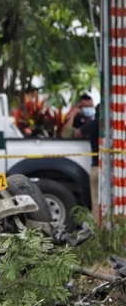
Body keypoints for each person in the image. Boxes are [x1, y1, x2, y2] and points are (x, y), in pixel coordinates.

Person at [62, 95, 99, 223]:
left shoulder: (94, 122)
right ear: (80, 107)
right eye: (86, 107)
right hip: (100, 166)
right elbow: (66, 134)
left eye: (91, 106)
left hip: (96, 167)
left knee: (96, 201)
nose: (89, 109)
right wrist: (73, 115)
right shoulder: (77, 120)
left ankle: (99, 228)